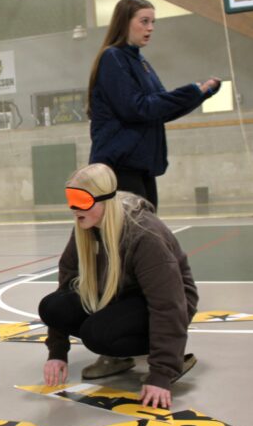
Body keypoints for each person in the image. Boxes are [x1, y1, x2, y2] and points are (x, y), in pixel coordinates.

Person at [38, 163, 198, 409]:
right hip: (119, 295)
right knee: (53, 307)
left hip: (167, 303)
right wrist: (57, 352)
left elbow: (168, 305)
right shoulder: (85, 229)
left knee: (97, 334)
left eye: (81, 200)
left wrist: (162, 373)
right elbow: (66, 283)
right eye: (70, 200)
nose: (74, 209)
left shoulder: (144, 235)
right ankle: (120, 355)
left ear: (104, 200)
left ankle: (170, 356)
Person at [87, 0, 221, 209]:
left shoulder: (141, 62)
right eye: (144, 21)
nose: (150, 28)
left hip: (141, 166)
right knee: (131, 227)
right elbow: (136, 108)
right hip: (119, 167)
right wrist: (190, 92)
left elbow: (160, 110)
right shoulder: (113, 58)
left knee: (145, 226)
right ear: (125, 22)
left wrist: (199, 94)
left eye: (152, 22)